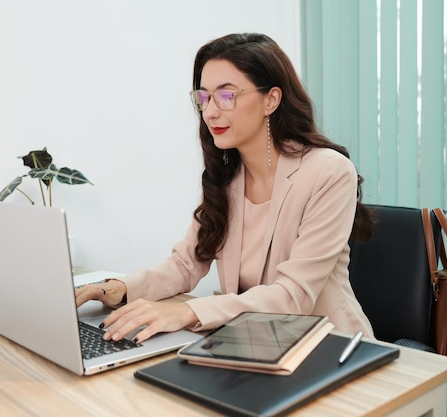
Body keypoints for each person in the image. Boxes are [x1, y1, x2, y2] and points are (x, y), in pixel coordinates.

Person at [75, 33, 375, 344]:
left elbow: (293, 296)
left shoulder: (328, 171)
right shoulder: (226, 177)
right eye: (203, 98)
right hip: (256, 343)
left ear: (271, 99)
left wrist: (189, 312)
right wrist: (121, 289)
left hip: (331, 346)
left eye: (227, 96)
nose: (210, 112)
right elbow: (186, 264)